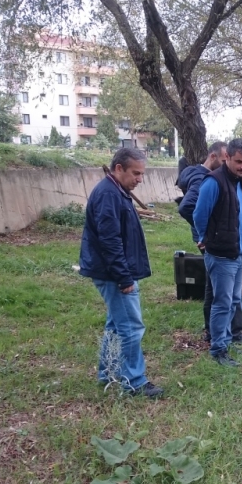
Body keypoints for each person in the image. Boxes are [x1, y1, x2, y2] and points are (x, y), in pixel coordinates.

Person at [79, 148, 163, 398]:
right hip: (113, 274)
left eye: (142, 174)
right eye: (135, 173)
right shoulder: (108, 195)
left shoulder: (117, 191)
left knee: (116, 325)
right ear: (118, 169)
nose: (140, 179)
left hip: (112, 271)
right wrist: (124, 277)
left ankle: (107, 372)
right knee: (131, 327)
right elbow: (110, 240)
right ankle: (134, 382)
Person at [193, 139, 242, 367]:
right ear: (226, 156)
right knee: (222, 302)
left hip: (239, 254)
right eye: (239, 161)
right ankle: (218, 349)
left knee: (234, 301)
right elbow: (199, 214)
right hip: (221, 255)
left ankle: (226, 341)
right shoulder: (213, 182)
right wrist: (205, 238)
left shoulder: (240, 182)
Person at [177, 142, 242, 343]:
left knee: (217, 291)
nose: (227, 165)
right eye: (225, 160)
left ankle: (222, 333)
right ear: (214, 157)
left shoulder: (221, 178)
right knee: (217, 294)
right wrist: (205, 235)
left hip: (220, 243)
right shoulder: (204, 179)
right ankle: (216, 336)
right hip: (214, 244)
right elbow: (187, 208)